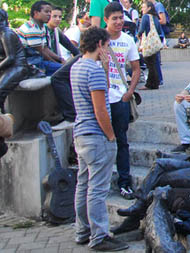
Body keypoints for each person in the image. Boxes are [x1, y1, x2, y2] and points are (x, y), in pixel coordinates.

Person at [70, 27, 128, 251]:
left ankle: (82, 230)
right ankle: (100, 236)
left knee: (83, 184)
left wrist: (105, 68)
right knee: (97, 188)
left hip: (81, 134)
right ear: (100, 45)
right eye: (107, 45)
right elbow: (100, 109)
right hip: (96, 135)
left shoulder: (77, 67)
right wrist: (111, 135)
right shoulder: (92, 70)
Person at [103, 2, 141, 199]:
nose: (119, 22)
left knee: (122, 140)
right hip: (100, 97)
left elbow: (136, 68)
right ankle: (100, 181)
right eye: (114, 18)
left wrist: (130, 91)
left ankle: (124, 182)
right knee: (101, 139)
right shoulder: (98, 39)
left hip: (120, 97)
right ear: (106, 20)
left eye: (121, 18)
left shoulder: (128, 40)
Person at [0, 9, 43, 113]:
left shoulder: (7, 34)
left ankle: (4, 122)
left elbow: (11, 58)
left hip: (18, 67)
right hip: (7, 67)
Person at [15, 0, 64, 75]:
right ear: (36, 13)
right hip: (31, 62)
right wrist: (59, 64)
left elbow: (45, 48)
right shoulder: (31, 29)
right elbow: (41, 52)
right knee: (63, 70)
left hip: (38, 60)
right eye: (46, 12)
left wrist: (60, 59)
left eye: (50, 12)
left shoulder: (41, 27)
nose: (49, 14)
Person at [141, 0, 170, 86]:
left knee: (153, 59)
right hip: (156, 36)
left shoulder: (158, 6)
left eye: (145, 1)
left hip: (156, 36)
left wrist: (151, 20)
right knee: (154, 60)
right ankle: (157, 79)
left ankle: (157, 80)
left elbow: (163, 20)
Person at [136, 1, 163, 90]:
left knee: (149, 65)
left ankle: (150, 84)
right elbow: (159, 30)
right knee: (153, 63)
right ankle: (156, 82)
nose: (142, 9)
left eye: (144, 7)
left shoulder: (145, 17)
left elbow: (141, 29)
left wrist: (138, 35)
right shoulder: (155, 17)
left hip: (148, 44)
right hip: (154, 44)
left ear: (149, 8)